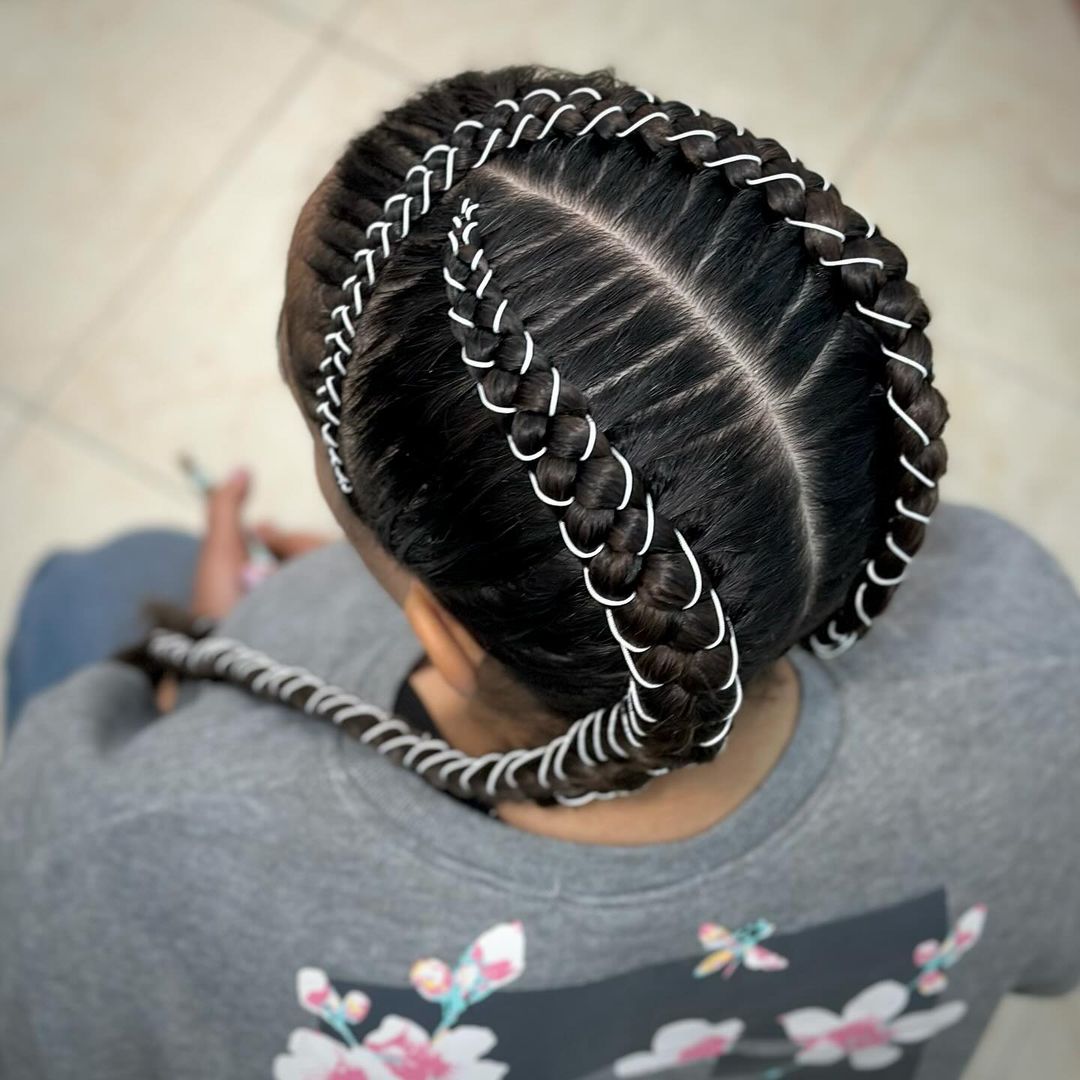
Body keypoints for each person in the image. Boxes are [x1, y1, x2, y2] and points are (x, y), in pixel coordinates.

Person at [1, 65, 1077, 1080]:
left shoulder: (137, 851)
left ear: (444, 634)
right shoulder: (1025, 657)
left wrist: (237, 642)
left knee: (89, 588)